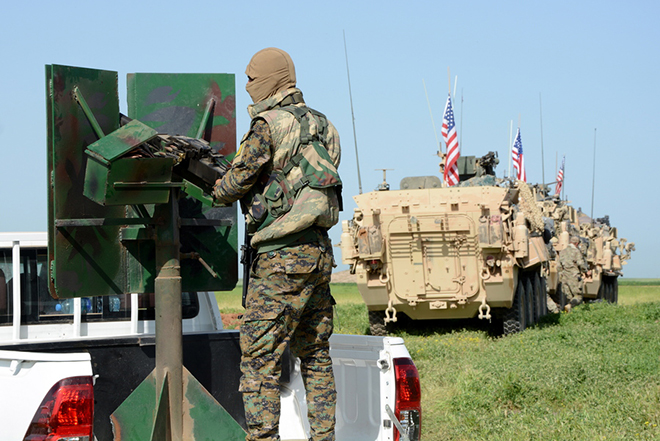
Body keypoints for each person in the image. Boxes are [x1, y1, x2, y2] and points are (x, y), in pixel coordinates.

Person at [213, 47, 341, 441]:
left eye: (252, 78)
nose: (249, 86)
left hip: (280, 260)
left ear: (269, 79)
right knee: (316, 357)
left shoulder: (268, 125)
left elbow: (234, 184)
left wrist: (218, 187)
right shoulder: (325, 125)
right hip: (319, 256)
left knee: (259, 363)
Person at [559, 235, 588, 312]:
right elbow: (581, 264)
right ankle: (570, 306)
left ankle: (570, 314)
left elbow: (558, 266)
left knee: (569, 297)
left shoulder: (562, 251)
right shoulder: (576, 251)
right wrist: (586, 271)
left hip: (564, 277)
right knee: (578, 296)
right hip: (574, 276)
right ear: (577, 243)